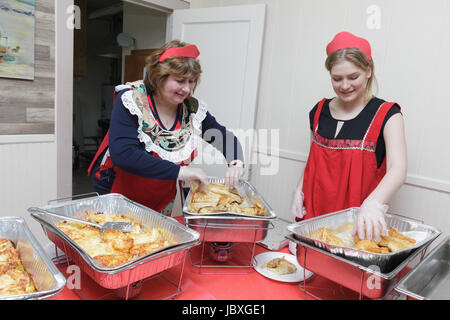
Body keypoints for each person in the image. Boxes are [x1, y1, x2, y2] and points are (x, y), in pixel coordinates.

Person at [88, 40, 245, 216]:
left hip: (160, 192)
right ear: (159, 77)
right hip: (119, 189)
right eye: (179, 81)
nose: (186, 89)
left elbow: (225, 137)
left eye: (192, 81)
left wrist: (236, 163)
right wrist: (182, 171)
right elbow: (125, 154)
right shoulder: (133, 99)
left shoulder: (191, 109)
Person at [291, 31, 407, 241]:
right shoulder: (318, 111)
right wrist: (299, 191)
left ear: (368, 71)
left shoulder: (388, 115)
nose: (345, 86)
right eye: (337, 79)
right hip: (312, 223)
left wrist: (373, 204)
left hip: (354, 230)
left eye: (353, 77)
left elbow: (398, 170)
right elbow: (312, 160)